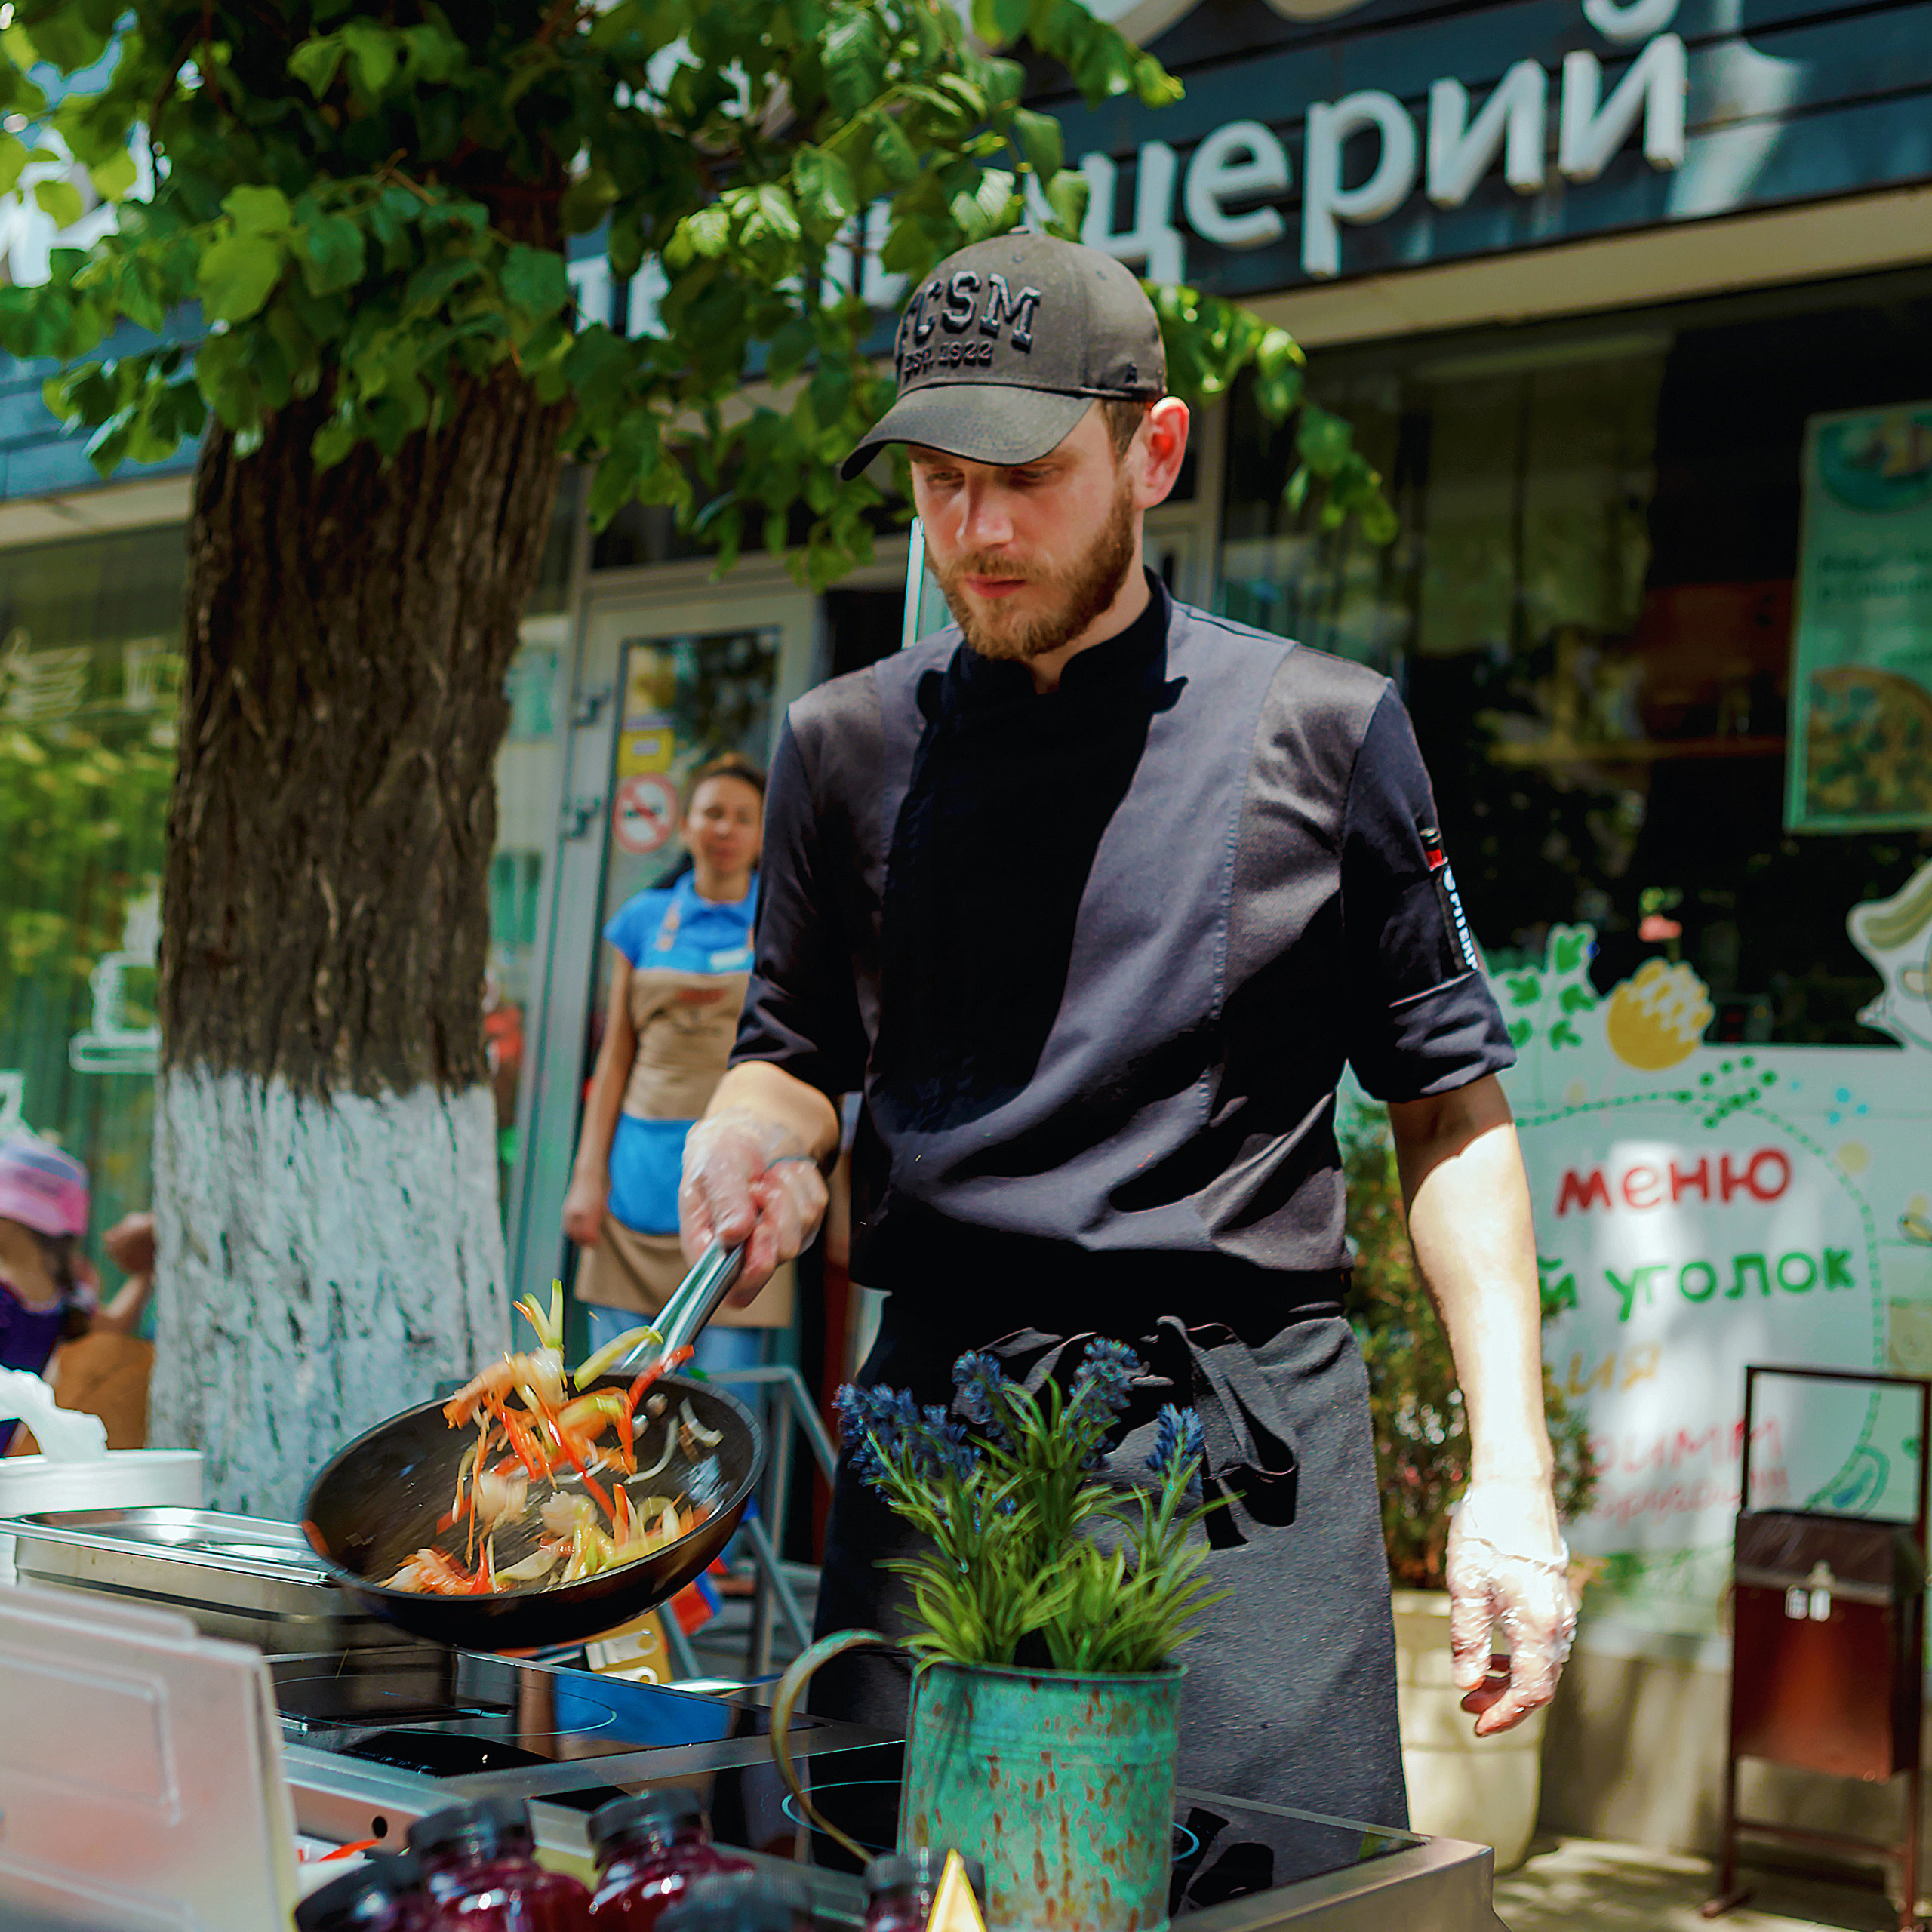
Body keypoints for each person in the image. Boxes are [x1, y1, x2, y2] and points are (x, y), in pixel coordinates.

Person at [677, 232, 1575, 1823]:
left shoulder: (1325, 728)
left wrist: (1510, 1474)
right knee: (903, 1890)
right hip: (935, 1437)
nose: (978, 530)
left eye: (1024, 476)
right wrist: (752, 1134)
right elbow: (792, 1047)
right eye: (938, 483)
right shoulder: (843, 745)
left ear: (1151, 447)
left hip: (1233, 1456)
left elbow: (1447, 1104)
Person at [565, 752, 792, 1376]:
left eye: (743, 818)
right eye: (712, 813)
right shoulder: (639, 921)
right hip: (637, 1180)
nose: (725, 829)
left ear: (763, 835)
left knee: (729, 1400)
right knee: (615, 1392)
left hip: (738, 1184)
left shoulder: (781, 924)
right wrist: (587, 1177)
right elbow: (614, 1056)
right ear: (686, 826)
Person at [0, 1141, 155, 1449]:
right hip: (29, 1459)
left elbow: (110, 1328)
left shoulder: (67, 1301)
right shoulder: (68, 1300)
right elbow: (114, 1325)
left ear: (16, 1222)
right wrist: (146, 1273)